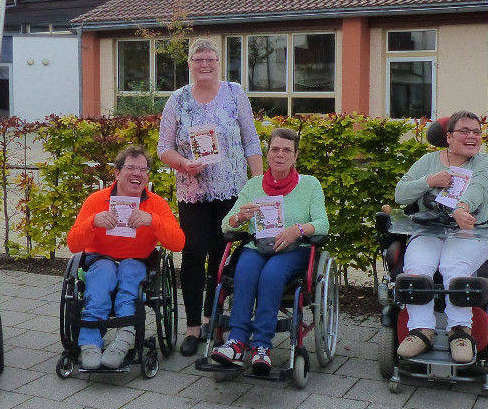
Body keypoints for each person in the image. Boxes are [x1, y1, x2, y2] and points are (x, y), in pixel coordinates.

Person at [158, 38, 263, 357]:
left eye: (210, 59)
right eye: (198, 59)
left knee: (220, 257)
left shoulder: (234, 93)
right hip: (193, 191)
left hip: (232, 192)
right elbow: (164, 148)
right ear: (189, 64)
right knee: (192, 254)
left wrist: (258, 186)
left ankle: (211, 321)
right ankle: (191, 328)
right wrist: (184, 164)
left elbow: (251, 141)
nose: (205, 64)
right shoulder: (178, 100)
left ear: (219, 63)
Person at [210, 128, 329, 374]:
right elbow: (226, 223)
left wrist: (297, 229)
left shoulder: (310, 185)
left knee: (271, 274)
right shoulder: (254, 185)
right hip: (258, 246)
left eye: (287, 150)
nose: (280, 155)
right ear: (268, 154)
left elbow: (322, 224)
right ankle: (236, 341)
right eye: (275, 149)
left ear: (296, 156)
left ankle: (262, 345)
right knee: (244, 270)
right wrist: (240, 217)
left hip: (294, 249)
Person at [68, 145, 185, 369]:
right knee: (103, 276)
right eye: (131, 168)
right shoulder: (96, 200)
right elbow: (74, 243)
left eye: (143, 169)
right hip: (100, 259)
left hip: (136, 259)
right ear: (117, 173)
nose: (137, 174)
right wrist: (93, 222)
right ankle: (90, 342)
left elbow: (178, 243)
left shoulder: (156, 204)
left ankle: (124, 336)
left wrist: (152, 221)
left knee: (130, 275)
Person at [394, 110, 488, 363]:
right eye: (464, 131)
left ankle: (460, 331)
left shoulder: (484, 163)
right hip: (429, 231)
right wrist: (429, 181)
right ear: (449, 136)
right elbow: (401, 195)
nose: (472, 136)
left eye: (476, 132)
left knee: (454, 265)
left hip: (470, 233)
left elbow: (480, 188)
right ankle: (421, 329)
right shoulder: (428, 162)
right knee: (417, 266)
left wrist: (462, 208)